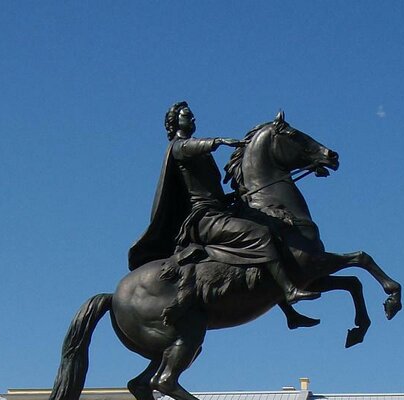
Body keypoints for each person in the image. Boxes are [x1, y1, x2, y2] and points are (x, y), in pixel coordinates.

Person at [128, 101, 319, 328]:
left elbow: (210, 190)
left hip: (217, 210)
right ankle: (288, 291)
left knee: (273, 232)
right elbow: (188, 149)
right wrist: (218, 141)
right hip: (204, 219)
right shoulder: (178, 147)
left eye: (193, 116)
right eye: (187, 116)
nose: (193, 120)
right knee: (260, 234)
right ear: (174, 122)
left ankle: (290, 314)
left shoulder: (199, 153)